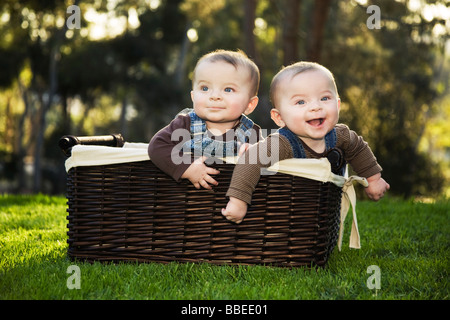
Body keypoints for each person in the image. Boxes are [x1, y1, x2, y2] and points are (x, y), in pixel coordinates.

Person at [222, 61, 390, 223]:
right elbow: (251, 160)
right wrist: (238, 201)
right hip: (285, 208)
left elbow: (358, 148)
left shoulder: (341, 135)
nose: (316, 107)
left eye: (324, 98)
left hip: (320, 212)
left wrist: (373, 179)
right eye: (301, 102)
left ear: (337, 105)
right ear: (279, 117)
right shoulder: (282, 143)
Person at [148, 49, 262, 189]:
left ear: (250, 105)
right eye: (205, 88)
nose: (214, 96)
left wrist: (256, 152)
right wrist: (187, 167)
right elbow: (157, 146)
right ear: (193, 97)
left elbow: (272, 160)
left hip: (229, 199)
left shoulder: (250, 132)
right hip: (185, 199)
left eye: (228, 89)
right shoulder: (185, 124)